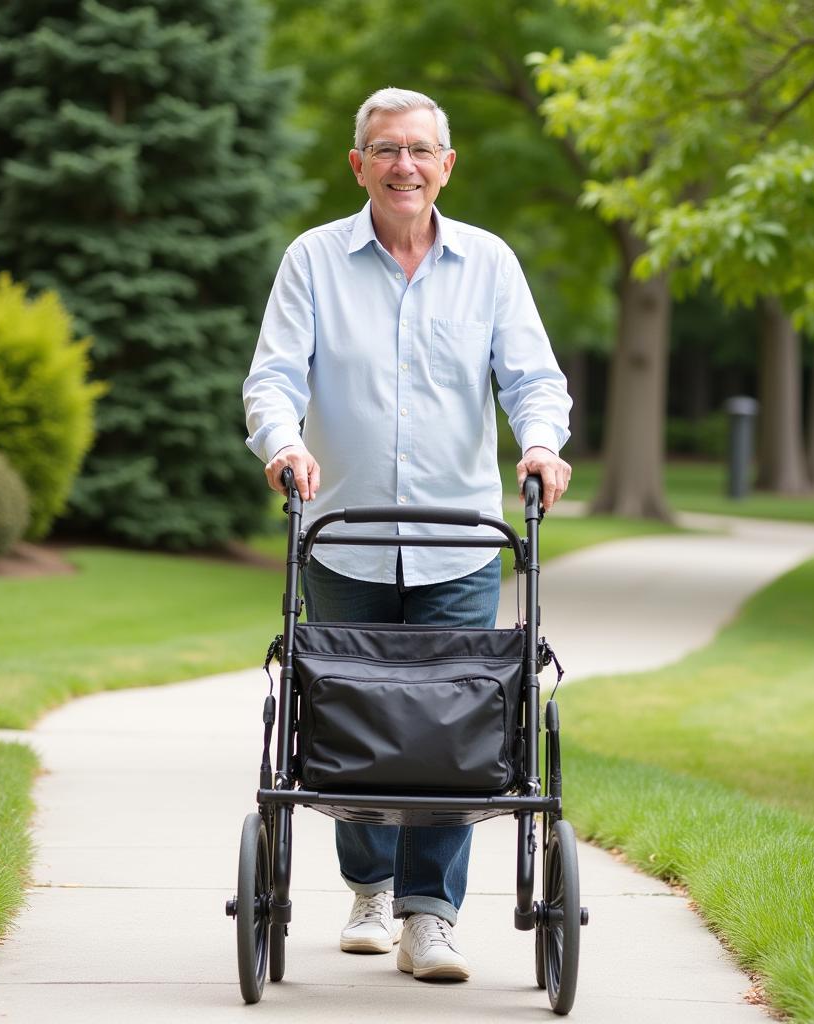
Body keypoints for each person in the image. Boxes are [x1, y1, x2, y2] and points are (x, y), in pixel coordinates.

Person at [243, 87, 571, 983]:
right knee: (349, 713)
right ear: (359, 164)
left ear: (446, 164)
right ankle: (370, 888)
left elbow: (534, 379)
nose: (404, 167)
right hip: (345, 536)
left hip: (458, 542)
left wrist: (540, 444)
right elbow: (271, 380)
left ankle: (432, 914)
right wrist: (284, 446)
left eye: (421, 151)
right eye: (386, 150)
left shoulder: (491, 265)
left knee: (455, 731)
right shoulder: (312, 262)